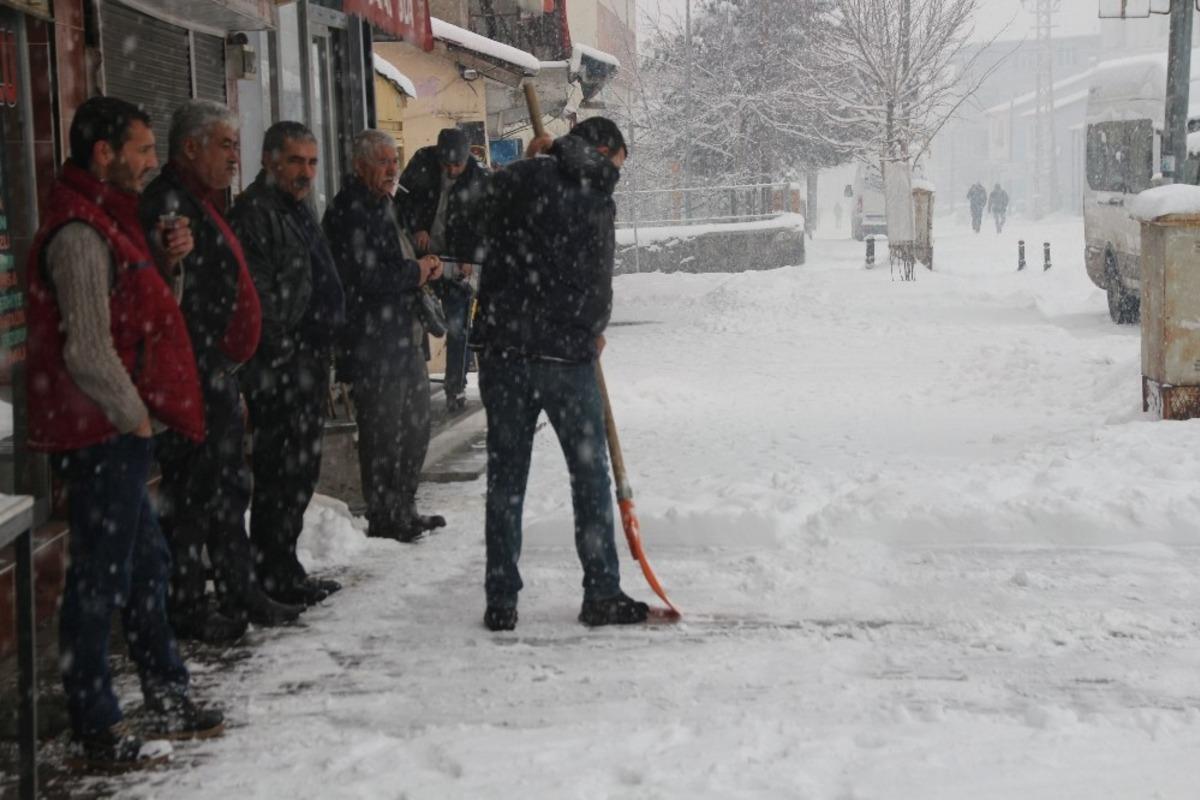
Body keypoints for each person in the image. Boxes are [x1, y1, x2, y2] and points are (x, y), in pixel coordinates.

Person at [26, 96, 224, 769]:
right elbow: (86, 348)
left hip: (117, 430)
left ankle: (166, 693)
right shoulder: (80, 233)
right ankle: (95, 723)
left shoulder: (112, 220)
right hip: (101, 433)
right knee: (103, 579)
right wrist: (133, 417)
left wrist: (171, 265)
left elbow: (136, 314)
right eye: (141, 149)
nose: (149, 162)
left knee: (146, 568)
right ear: (103, 154)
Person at [471, 117, 649, 632]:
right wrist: (591, 330)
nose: (614, 172)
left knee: (506, 479)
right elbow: (596, 276)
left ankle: (500, 598)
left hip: (505, 352)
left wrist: (527, 172)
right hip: (565, 359)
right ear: (601, 149)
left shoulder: (519, 178)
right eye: (615, 161)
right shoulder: (595, 192)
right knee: (589, 477)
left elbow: (472, 229)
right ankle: (601, 591)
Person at [140, 100, 302, 641]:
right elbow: (165, 297)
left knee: (227, 490)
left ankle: (240, 590)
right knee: (192, 498)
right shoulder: (168, 205)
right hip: (191, 379)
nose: (236, 156)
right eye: (226, 145)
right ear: (190, 148)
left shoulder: (202, 201)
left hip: (215, 375)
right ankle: (187, 604)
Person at [230, 122, 345, 607]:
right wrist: (284, 358)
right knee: (279, 474)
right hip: (280, 367)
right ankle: (272, 571)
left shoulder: (298, 209)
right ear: (269, 161)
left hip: (307, 361)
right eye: (296, 161)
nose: (306, 172)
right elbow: (257, 299)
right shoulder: (256, 213)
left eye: (312, 162)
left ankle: (286, 566)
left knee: (300, 473)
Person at [324, 129, 447, 542]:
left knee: (415, 427)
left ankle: (404, 506)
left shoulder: (389, 205)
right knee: (382, 435)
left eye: (394, 160)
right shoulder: (349, 211)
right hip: (373, 342)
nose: (393, 168)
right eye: (383, 161)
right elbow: (363, 276)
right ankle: (384, 515)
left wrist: (421, 263)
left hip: (404, 335)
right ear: (360, 166)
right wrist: (416, 271)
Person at [398, 127, 490, 413]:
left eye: (457, 165)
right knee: (412, 318)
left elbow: (487, 223)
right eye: (446, 164)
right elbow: (401, 200)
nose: (451, 170)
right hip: (422, 256)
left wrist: (471, 256)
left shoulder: (480, 179)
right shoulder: (421, 164)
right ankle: (411, 384)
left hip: (455, 259)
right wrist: (416, 227)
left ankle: (455, 386)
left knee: (458, 324)